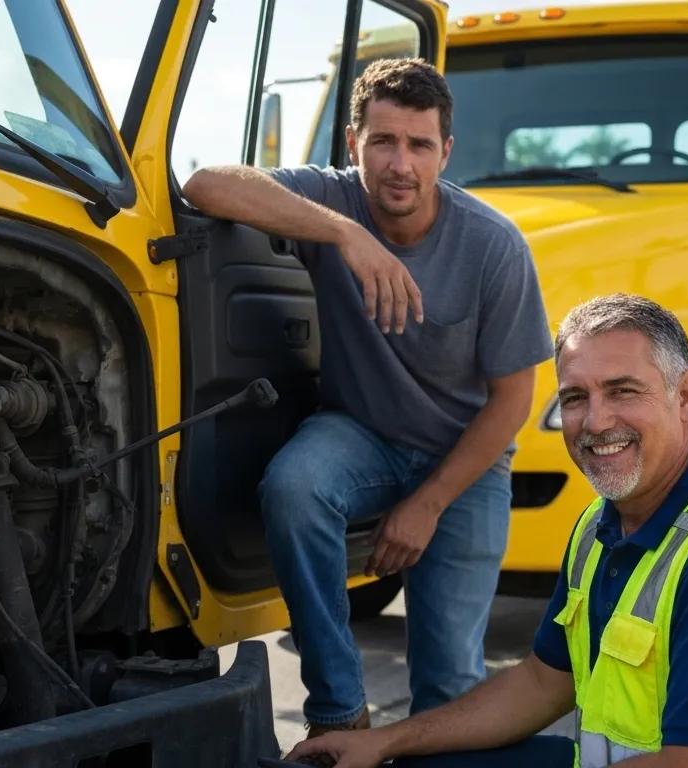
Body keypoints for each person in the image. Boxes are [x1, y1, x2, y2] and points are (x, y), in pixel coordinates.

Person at [289, 294, 688, 768]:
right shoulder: (600, 523)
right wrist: (384, 742)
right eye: (576, 398)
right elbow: (541, 681)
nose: (596, 421)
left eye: (623, 390)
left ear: (686, 399)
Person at [182, 58, 552, 754]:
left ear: (447, 151)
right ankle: (340, 711)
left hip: (465, 460)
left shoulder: (493, 246)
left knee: (451, 685)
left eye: (419, 145)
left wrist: (429, 503)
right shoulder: (336, 201)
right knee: (295, 486)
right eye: (383, 142)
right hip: (364, 435)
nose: (400, 164)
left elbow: (513, 402)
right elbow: (205, 184)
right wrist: (345, 236)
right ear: (353, 144)